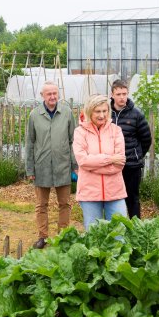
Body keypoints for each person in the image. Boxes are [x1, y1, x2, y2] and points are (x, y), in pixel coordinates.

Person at [25, 81, 77, 249]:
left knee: (65, 204)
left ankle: (63, 236)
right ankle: (43, 237)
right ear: (42, 96)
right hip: (42, 166)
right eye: (49, 94)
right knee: (41, 205)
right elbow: (30, 143)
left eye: (55, 93)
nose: (53, 97)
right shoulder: (34, 115)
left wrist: (74, 165)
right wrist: (30, 168)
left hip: (62, 165)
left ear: (58, 94)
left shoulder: (67, 113)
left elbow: (72, 141)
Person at [74, 94, 127, 229]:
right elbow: (83, 161)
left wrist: (92, 165)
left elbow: (119, 163)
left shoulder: (116, 131)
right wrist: (109, 159)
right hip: (89, 193)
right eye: (98, 111)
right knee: (94, 236)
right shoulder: (80, 132)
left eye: (105, 111)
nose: (102, 115)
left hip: (115, 191)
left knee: (118, 233)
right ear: (89, 112)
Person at [109, 79, 152, 219]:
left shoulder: (136, 114)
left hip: (131, 165)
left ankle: (135, 228)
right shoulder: (106, 113)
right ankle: (116, 228)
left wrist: (136, 154)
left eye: (124, 94)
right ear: (112, 94)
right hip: (110, 164)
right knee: (113, 198)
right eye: (119, 94)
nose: (122, 97)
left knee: (132, 198)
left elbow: (146, 139)